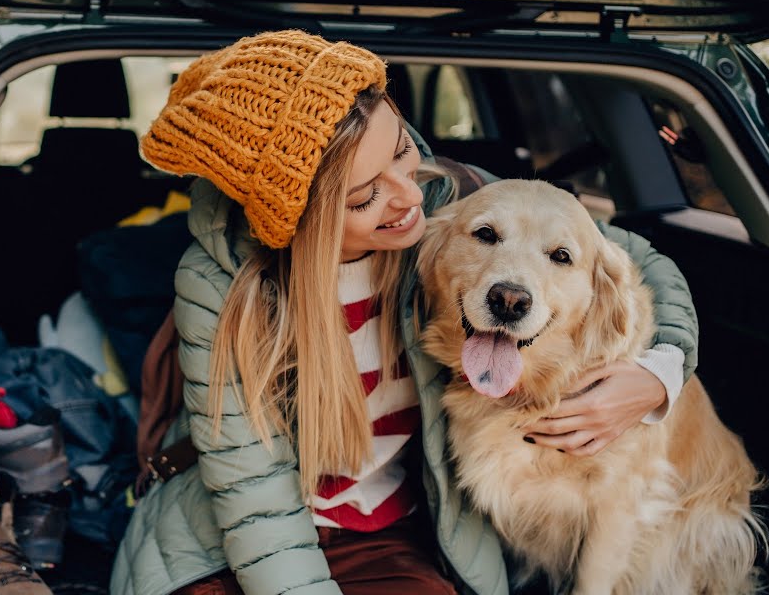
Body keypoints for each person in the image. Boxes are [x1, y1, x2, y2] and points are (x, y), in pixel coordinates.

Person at [109, 31, 696, 595]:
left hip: (386, 532)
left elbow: (636, 259)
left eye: (402, 151)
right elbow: (255, 501)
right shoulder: (220, 283)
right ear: (296, 219)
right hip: (227, 539)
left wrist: (659, 373)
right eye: (366, 195)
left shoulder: (450, 200)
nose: (410, 195)